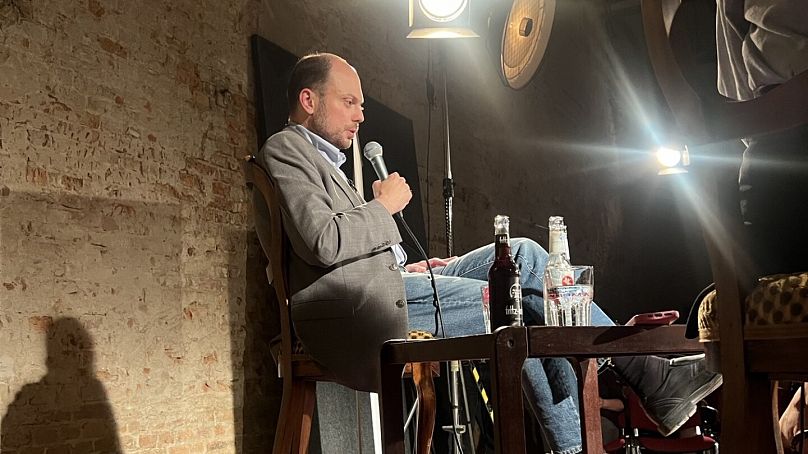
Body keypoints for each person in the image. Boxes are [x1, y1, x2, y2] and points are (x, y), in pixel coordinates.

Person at [256, 52, 722, 454]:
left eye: (361, 104)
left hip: (394, 282)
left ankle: (633, 386)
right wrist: (383, 206)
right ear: (309, 100)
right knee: (518, 302)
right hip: (358, 310)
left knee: (521, 254)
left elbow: (347, 246)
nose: (360, 116)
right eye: (350, 102)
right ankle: (637, 384)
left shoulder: (323, 161)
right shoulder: (286, 150)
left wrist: (409, 263)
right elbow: (322, 241)